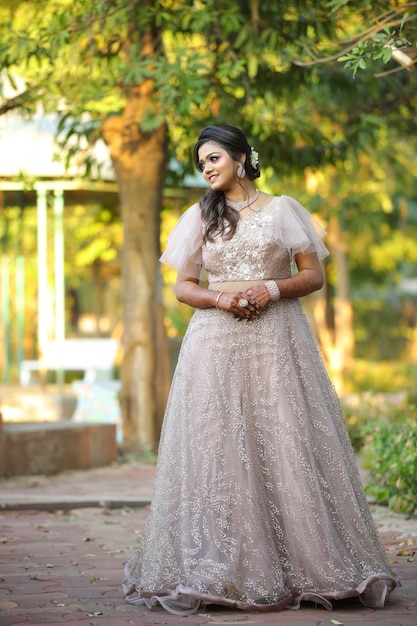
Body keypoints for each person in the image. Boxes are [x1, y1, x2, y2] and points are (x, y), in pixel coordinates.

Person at [122, 124, 398, 614]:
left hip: (276, 337)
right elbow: (184, 286)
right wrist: (221, 298)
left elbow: (313, 275)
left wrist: (270, 290)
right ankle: (222, 567)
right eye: (201, 162)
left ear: (242, 157)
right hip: (215, 341)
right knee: (219, 444)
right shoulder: (199, 216)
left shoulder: (283, 210)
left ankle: (311, 564)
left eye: (214, 158)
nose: (206, 168)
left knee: (285, 436)